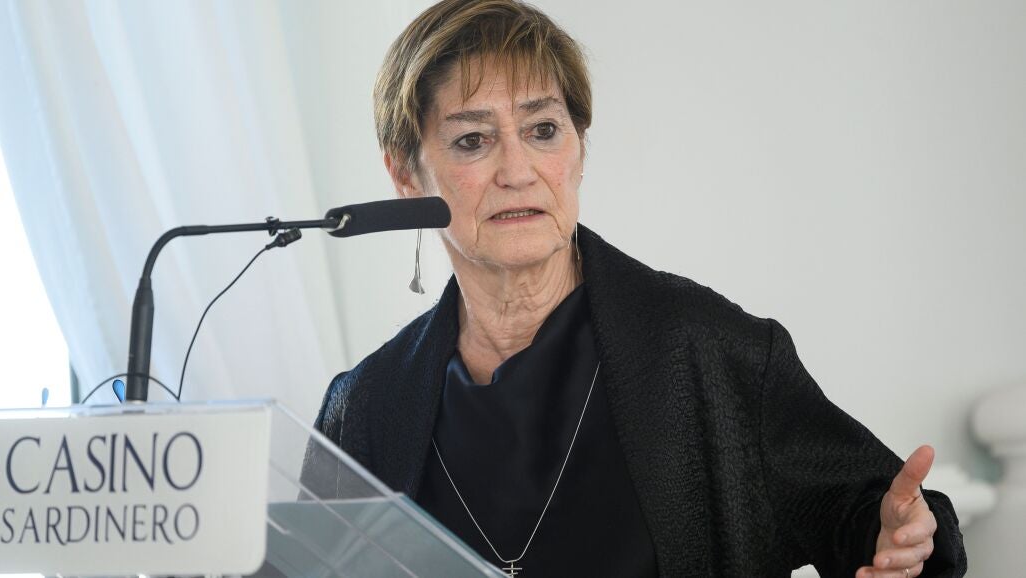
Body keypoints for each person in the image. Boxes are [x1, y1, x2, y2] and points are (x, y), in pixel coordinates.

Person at [310, 0, 967, 576]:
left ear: (579, 149)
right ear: (405, 176)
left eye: (543, 130)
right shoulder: (362, 409)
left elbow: (863, 511)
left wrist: (897, 537)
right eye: (472, 140)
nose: (518, 170)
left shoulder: (711, 350)